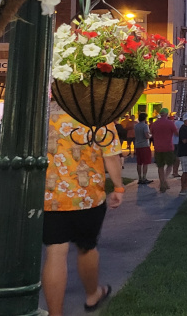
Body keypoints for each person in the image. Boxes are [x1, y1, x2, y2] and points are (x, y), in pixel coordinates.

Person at [42, 109, 125, 316]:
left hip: (50, 196)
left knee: (55, 252)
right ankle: (93, 295)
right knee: (87, 247)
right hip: (88, 197)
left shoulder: (44, 111)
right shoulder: (98, 112)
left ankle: (55, 313)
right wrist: (118, 187)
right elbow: (111, 157)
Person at [149, 108, 178, 193]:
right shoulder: (170, 123)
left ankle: (162, 183)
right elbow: (176, 133)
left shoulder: (154, 124)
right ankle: (164, 180)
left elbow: (151, 133)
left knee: (160, 166)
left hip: (158, 147)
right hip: (168, 147)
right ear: (167, 114)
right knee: (170, 164)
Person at [132, 112, 152, 185]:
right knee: (145, 162)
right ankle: (144, 177)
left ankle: (139, 177)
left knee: (139, 162)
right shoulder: (145, 126)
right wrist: (151, 135)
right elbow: (146, 135)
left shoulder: (136, 126)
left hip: (137, 145)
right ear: (145, 118)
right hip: (144, 145)